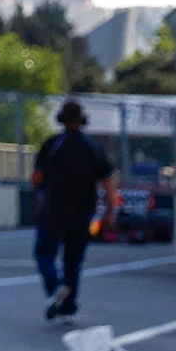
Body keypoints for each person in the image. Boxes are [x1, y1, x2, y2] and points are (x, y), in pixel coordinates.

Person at [31, 99, 119, 321]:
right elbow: (108, 182)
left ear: (61, 120)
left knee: (44, 253)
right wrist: (110, 210)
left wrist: (40, 191)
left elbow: (37, 176)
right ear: (82, 120)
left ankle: (55, 289)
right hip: (83, 210)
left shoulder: (52, 144)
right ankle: (69, 307)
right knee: (73, 259)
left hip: (54, 208)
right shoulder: (92, 147)